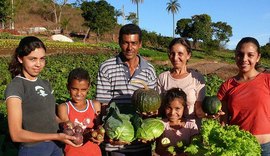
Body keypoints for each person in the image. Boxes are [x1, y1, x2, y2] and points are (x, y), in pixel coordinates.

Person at [4, 36, 79, 156]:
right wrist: (56, 136)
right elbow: (16, 134)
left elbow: (50, 115)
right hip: (34, 149)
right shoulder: (16, 87)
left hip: (56, 146)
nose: (38, 64)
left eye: (42, 59)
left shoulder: (45, 84)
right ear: (20, 58)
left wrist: (63, 123)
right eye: (32, 59)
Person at [96, 23, 157, 156]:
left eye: (134, 43)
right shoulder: (107, 67)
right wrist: (112, 134)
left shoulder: (149, 70)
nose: (130, 48)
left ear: (140, 44)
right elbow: (104, 105)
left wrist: (151, 115)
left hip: (142, 144)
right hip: (116, 144)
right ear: (119, 42)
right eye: (125, 43)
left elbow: (152, 104)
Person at [217, 37, 270, 156]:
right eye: (240, 54)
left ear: (258, 57)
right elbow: (223, 122)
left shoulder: (267, 80)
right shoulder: (227, 86)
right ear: (235, 56)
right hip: (238, 147)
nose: (244, 59)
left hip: (266, 148)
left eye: (250, 55)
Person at [157, 38, 206, 124]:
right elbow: (160, 108)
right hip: (167, 130)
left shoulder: (197, 78)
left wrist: (208, 113)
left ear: (188, 55)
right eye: (172, 53)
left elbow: (198, 110)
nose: (175, 58)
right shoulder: (163, 78)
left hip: (191, 130)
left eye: (180, 54)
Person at [57, 67, 102, 156]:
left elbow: (99, 128)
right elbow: (66, 131)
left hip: (94, 153)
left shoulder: (95, 105)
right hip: (72, 153)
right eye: (74, 89)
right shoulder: (64, 107)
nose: (78, 93)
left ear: (88, 88)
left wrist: (99, 134)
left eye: (83, 90)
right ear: (67, 87)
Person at [155, 88, 199, 156]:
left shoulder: (191, 126)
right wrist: (168, 153)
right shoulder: (161, 125)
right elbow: (158, 150)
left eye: (177, 108)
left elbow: (196, 148)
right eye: (168, 108)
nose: (172, 113)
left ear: (184, 108)